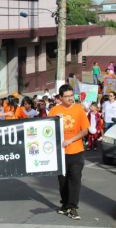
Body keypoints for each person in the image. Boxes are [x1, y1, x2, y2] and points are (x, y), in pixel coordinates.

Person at [48, 84, 90, 220]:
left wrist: (70, 140)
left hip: (76, 151)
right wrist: (55, 121)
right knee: (62, 181)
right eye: (67, 97)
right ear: (60, 97)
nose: (70, 99)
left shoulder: (79, 109)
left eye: (72, 96)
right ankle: (65, 205)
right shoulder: (54, 110)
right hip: (60, 153)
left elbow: (85, 130)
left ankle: (72, 207)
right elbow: (46, 131)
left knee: (75, 180)